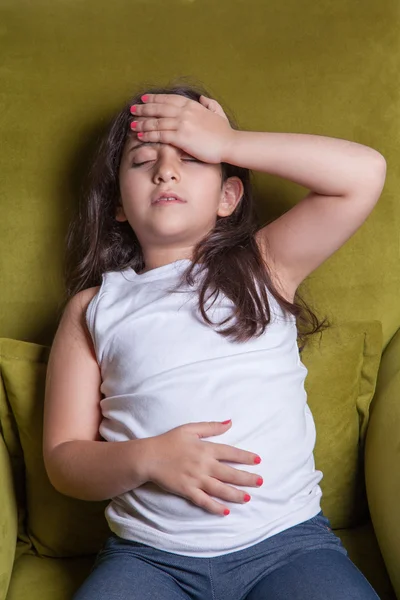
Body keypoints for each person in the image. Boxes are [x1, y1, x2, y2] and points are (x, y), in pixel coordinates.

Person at [43, 81, 386, 599]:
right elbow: (64, 460)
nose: (166, 170)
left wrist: (227, 143)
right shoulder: (94, 309)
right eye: (142, 161)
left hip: (288, 546)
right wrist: (148, 458)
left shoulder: (264, 267)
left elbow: (364, 175)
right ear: (117, 204)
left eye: (192, 157)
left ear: (229, 196)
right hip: (149, 558)